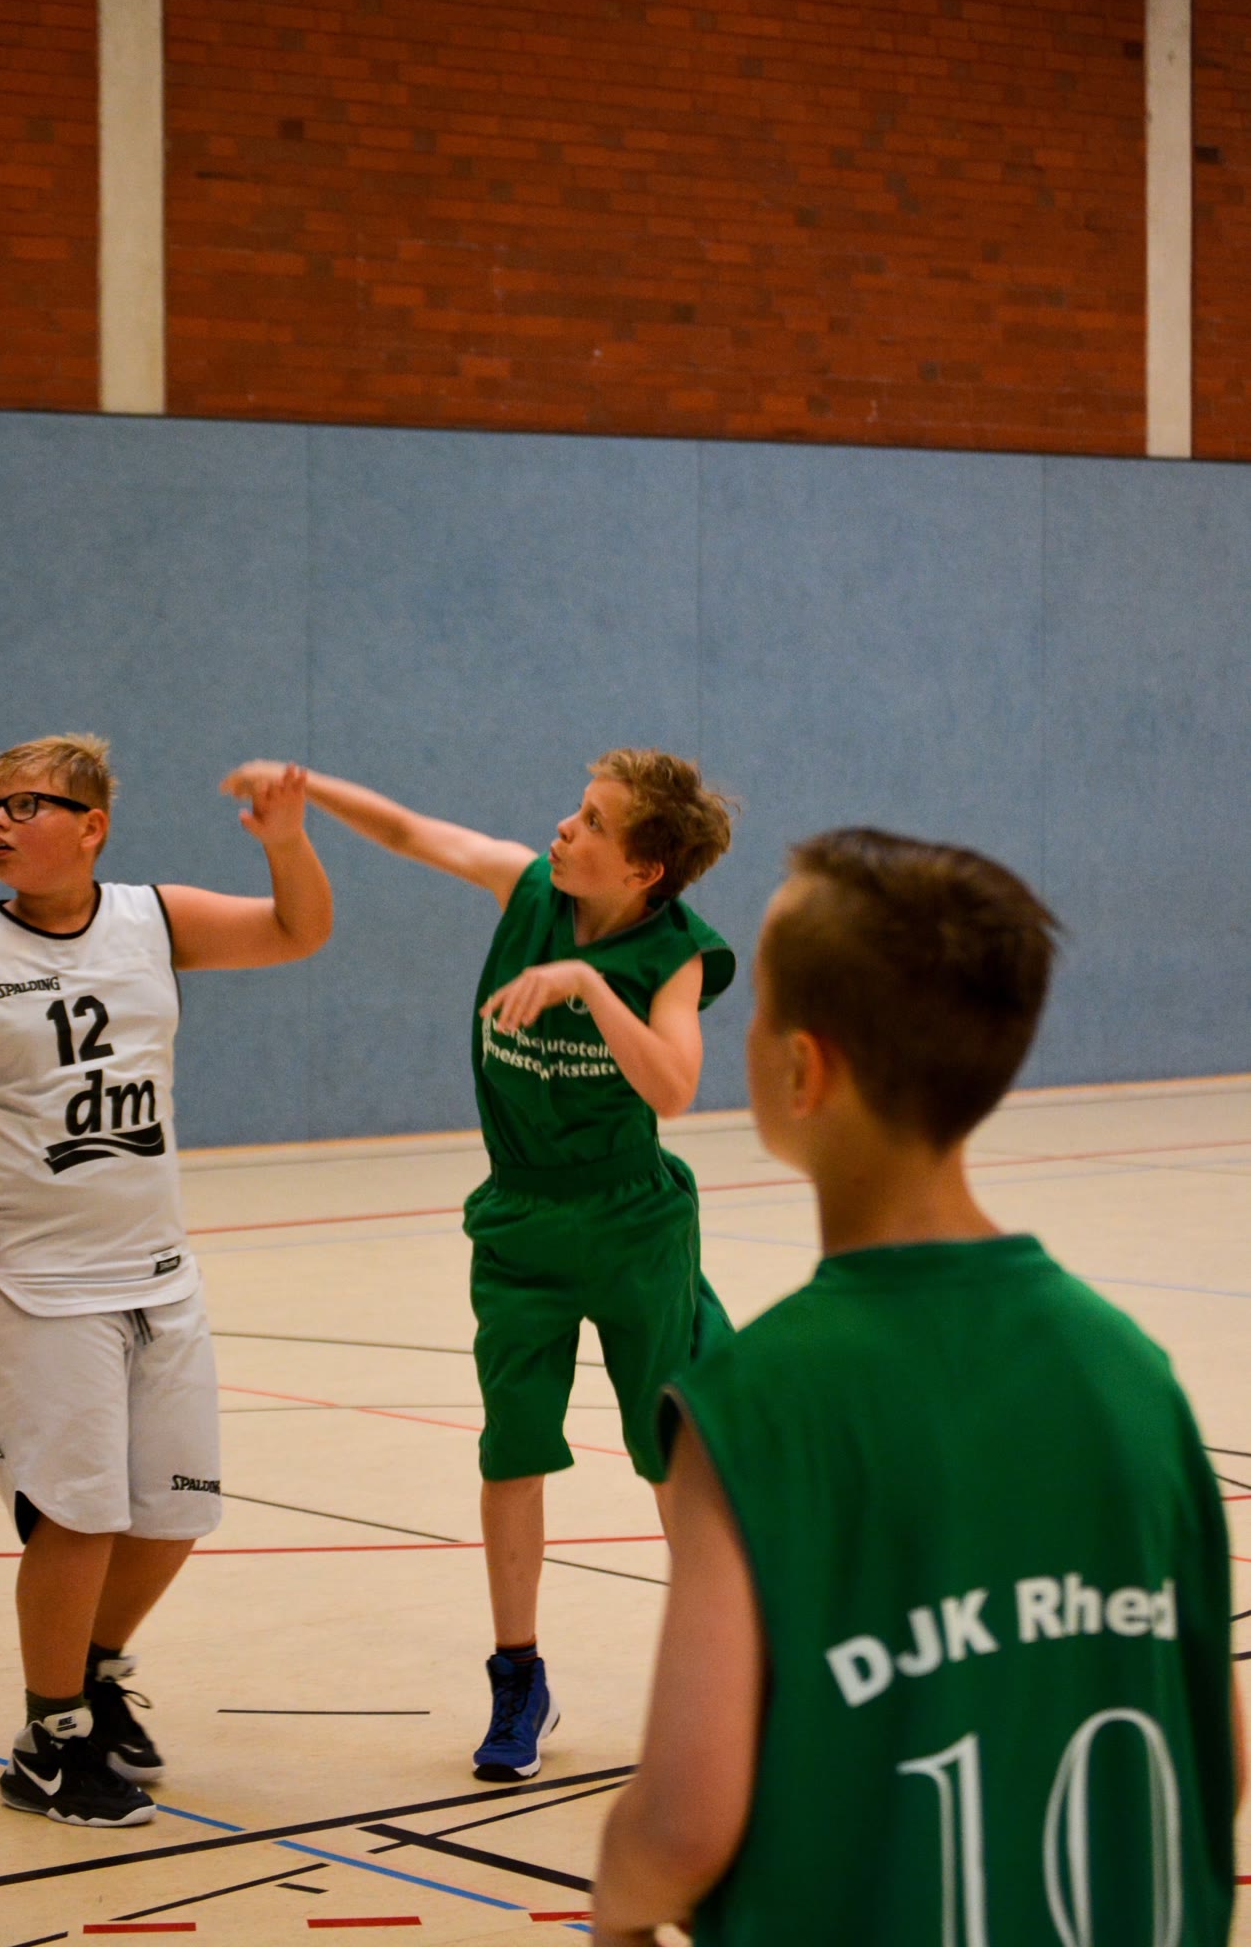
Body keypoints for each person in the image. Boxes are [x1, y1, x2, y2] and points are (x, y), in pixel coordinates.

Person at [593, 827, 1241, 1946]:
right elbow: (1217, 1754)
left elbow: (683, 1825)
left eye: (760, 1008)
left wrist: (618, 1911)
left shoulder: (752, 1404)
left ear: (804, 1069)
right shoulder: (1131, 1371)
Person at [221, 749, 736, 1782]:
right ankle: (518, 1678)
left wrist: (589, 984)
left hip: (634, 1224)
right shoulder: (526, 887)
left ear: (644, 871)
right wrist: (309, 792)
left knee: (669, 1452)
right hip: (521, 1218)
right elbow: (414, 831)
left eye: (594, 822)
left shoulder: (674, 954)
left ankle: (716, 1677)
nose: (566, 828)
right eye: (577, 808)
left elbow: (675, 1087)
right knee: (512, 1450)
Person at [0, 734, 332, 1829]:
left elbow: (299, 930)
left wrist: (286, 842)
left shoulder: (154, 919)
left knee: (174, 1509)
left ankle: (88, 1673)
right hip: (36, 1278)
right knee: (77, 1519)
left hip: (157, 1266)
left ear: (91, 827)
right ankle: (48, 1744)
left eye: (27, 805)